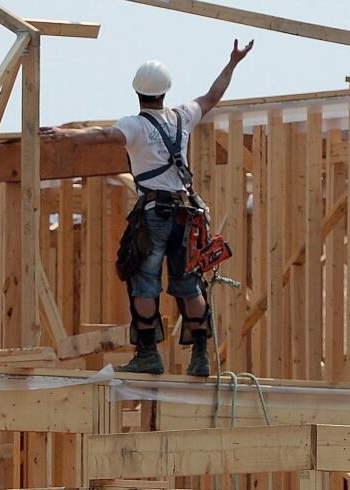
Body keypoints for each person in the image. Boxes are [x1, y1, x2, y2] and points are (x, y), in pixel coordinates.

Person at [40, 39, 254, 376]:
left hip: (156, 214)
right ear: (165, 91)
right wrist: (233, 63)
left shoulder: (135, 125)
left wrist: (65, 135)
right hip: (187, 214)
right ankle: (200, 356)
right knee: (187, 283)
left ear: (137, 92)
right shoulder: (182, 117)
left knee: (144, 281)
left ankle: (148, 354)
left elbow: (101, 134)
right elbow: (213, 96)